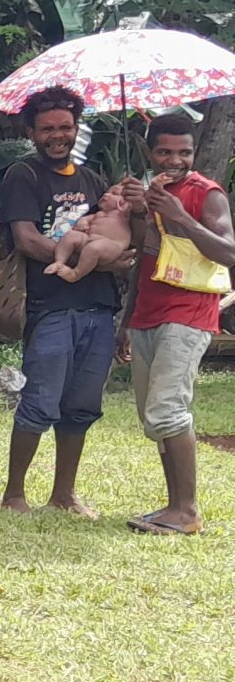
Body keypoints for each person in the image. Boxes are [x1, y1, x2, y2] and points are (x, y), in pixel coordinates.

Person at [0, 86, 122, 517]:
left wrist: (110, 257)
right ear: (31, 131)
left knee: (82, 405)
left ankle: (63, 494)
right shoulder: (23, 175)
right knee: (41, 400)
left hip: (99, 308)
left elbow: (120, 238)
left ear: (76, 128)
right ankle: (14, 492)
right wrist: (88, 260)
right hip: (49, 306)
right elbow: (26, 239)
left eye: (65, 127)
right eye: (47, 128)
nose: (57, 135)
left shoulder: (94, 181)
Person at [117, 114, 234, 536]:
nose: (175, 159)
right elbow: (141, 255)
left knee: (168, 410)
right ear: (150, 151)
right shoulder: (152, 193)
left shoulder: (208, 194)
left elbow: (229, 253)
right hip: (147, 312)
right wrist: (136, 210)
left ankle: (187, 512)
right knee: (154, 417)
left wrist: (181, 216)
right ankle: (172, 507)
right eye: (165, 151)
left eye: (184, 151)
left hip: (189, 313)